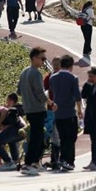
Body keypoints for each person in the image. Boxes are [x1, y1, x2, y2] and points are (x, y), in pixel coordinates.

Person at [17, 46, 54, 176]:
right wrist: (50, 103)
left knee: (35, 136)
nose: (44, 61)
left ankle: (33, 163)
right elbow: (40, 93)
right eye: (42, 58)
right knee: (37, 137)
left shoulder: (24, 72)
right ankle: (29, 163)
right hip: (37, 108)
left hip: (28, 109)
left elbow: (19, 91)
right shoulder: (36, 73)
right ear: (34, 58)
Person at [50, 55, 83, 171]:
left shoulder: (52, 78)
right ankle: (67, 160)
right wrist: (80, 110)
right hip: (69, 112)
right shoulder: (73, 78)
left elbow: (53, 93)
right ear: (71, 65)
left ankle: (63, 159)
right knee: (71, 137)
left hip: (58, 113)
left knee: (63, 137)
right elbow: (77, 97)